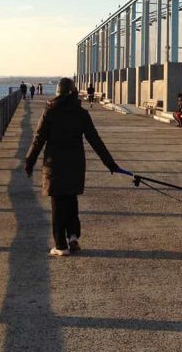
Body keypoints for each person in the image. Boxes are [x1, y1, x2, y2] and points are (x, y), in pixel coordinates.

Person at [24, 77, 119, 256]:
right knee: (71, 200)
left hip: (55, 165)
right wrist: (110, 163)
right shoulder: (81, 113)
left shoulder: (50, 112)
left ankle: (61, 246)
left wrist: (29, 161)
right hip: (75, 164)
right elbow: (95, 140)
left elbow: (38, 139)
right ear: (73, 92)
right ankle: (73, 236)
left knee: (58, 204)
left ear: (57, 93)